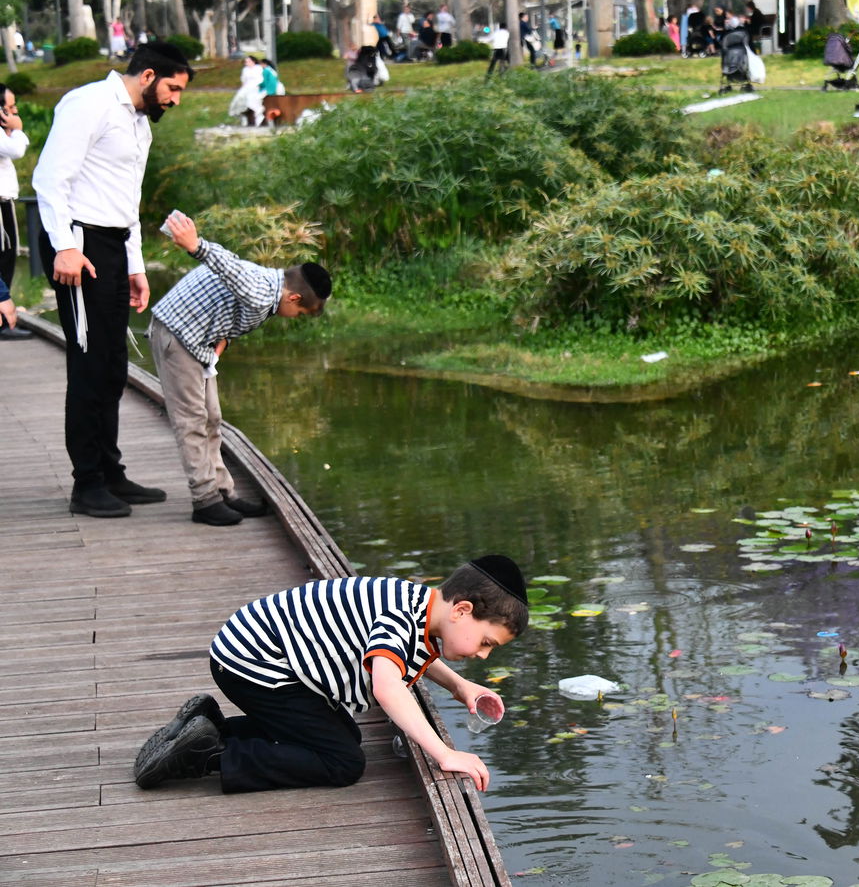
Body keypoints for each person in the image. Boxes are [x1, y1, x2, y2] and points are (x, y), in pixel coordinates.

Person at [132, 557, 529, 792]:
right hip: (255, 665)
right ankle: (209, 756)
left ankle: (211, 726)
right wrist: (444, 753)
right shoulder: (399, 616)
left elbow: (408, 654)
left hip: (254, 655)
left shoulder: (415, 603)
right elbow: (388, 687)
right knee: (342, 762)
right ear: (461, 610)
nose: (483, 654)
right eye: (487, 642)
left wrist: (460, 686)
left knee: (344, 737)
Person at [33, 42, 192, 518]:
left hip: (114, 245)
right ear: (148, 76)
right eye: (173, 89)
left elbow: (127, 199)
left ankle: (110, 472)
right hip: (79, 243)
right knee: (88, 363)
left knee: (113, 363)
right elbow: (50, 179)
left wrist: (136, 266)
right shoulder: (89, 104)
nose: (175, 100)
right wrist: (65, 246)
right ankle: (87, 484)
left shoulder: (140, 122)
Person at [147, 212, 330, 526]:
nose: (295, 317)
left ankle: (223, 492)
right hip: (176, 336)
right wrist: (196, 246)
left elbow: (230, 289)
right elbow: (227, 265)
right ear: (294, 297)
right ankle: (205, 501)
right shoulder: (262, 291)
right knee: (192, 421)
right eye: (300, 312)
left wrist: (224, 338)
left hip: (198, 341)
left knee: (212, 418)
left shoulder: (270, 284)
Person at [0, 83, 31, 340]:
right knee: (3, 260)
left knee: (7, 259)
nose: (15, 111)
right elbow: (17, 150)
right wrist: (18, 129)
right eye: (9, 107)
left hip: (5, 202)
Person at [228, 55, 264, 127]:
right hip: (246, 87)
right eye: (246, 62)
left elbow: (260, 79)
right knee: (238, 100)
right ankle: (242, 116)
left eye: (249, 61)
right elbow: (244, 80)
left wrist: (254, 86)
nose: (247, 63)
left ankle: (258, 117)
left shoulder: (258, 68)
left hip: (255, 87)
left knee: (252, 101)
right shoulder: (245, 69)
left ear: (253, 61)